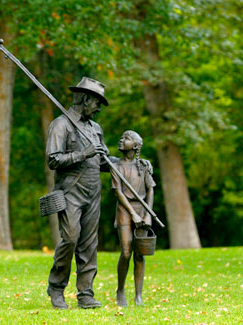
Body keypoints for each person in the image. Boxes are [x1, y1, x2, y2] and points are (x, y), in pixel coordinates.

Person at [45, 77, 111, 309]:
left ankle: (85, 293)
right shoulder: (60, 125)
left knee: (89, 244)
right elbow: (53, 160)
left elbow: (102, 163)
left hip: (93, 192)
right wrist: (84, 153)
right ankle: (56, 288)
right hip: (70, 191)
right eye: (97, 103)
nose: (99, 108)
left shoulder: (96, 129)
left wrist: (126, 162)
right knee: (71, 239)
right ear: (85, 99)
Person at [111, 130, 155, 307]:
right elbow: (118, 192)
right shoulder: (116, 166)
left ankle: (138, 295)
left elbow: (150, 189)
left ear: (136, 146)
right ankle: (120, 290)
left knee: (140, 253)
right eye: (121, 137)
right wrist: (133, 214)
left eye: (127, 139)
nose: (122, 140)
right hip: (124, 210)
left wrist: (147, 214)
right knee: (126, 251)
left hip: (142, 209)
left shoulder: (143, 167)